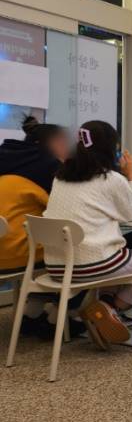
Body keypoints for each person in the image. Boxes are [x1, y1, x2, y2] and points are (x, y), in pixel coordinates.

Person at [44, 121, 132, 345]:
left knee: (117, 255)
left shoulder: (60, 177)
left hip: (56, 266)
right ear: (111, 148)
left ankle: (102, 309)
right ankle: (109, 307)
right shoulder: (111, 179)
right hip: (94, 265)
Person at [0, 116, 72, 338]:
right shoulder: (48, 166)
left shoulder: (5, 156)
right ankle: (62, 318)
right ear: (51, 144)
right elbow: (66, 209)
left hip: (3, 245)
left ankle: (31, 312)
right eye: (64, 143)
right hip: (17, 253)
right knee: (77, 252)